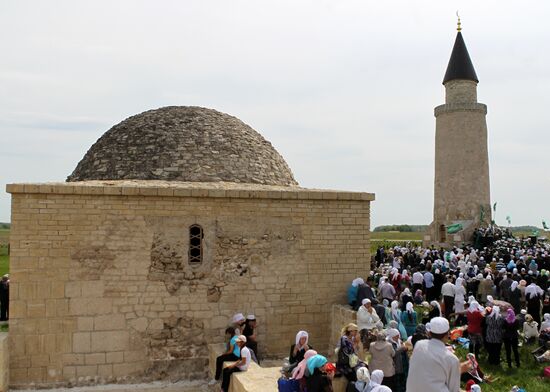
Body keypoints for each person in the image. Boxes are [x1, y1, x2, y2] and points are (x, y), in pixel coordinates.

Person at [406, 317, 465, 392]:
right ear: (447, 335)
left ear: (429, 333)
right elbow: (453, 389)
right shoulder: (452, 359)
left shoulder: (419, 345)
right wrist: (458, 370)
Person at [387, 328, 408, 392]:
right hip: (396, 365)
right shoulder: (389, 343)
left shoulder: (399, 341)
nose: (398, 336)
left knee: (403, 381)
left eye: (398, 335)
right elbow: (393, 353)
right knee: (397, 382)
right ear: (393, 336)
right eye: (396, 335)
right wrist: (402, 348)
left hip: (402, 364)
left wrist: (405, 348)